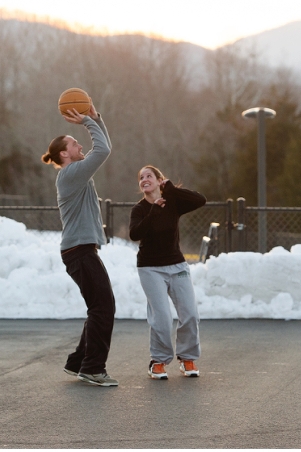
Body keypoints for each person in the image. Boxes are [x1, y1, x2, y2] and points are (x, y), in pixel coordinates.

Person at [41, 103, 117, 387]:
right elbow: (103, 151)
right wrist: (87, 121)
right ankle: (93, 368)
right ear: (64, 153)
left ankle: (79, 363)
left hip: (80, 251)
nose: (79, 144)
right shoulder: (71, 174)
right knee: (103, 308)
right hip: (79, 252)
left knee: (99, 307)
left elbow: (103, 147)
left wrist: (96, 118)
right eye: (74, 143)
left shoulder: (75, 174)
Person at [128, 165, 206, 380]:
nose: (144, 179)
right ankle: (159, 361)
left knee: (190, 313)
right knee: (161, 317)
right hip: (150, 268)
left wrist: (170, 189)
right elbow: (135, 233)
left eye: (149, 176)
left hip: (176, 265)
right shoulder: (140, 209)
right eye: (141, 177)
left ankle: (187, 358)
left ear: (159, 180)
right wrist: (154, 211)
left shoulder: (173, 201)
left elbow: (200, 200)